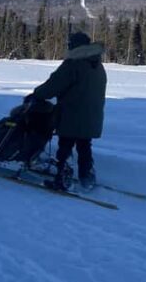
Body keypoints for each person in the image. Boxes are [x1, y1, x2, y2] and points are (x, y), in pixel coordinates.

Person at [26, 31, 107, 190]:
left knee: (65, 145)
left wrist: (36, 95)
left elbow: (54, 85)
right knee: (84, 144)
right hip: (92, 114)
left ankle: (62, 178)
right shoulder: (97, 64)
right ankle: (87, 177)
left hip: (72, 113)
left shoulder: (73, 63)